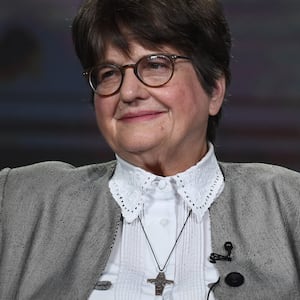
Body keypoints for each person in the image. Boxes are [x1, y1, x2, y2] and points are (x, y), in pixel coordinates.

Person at [0, 0, 300, 299]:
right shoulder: (17, 200)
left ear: (214, 91)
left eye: (156, 65)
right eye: (109, 73)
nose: (128, 92)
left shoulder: (288, 203)